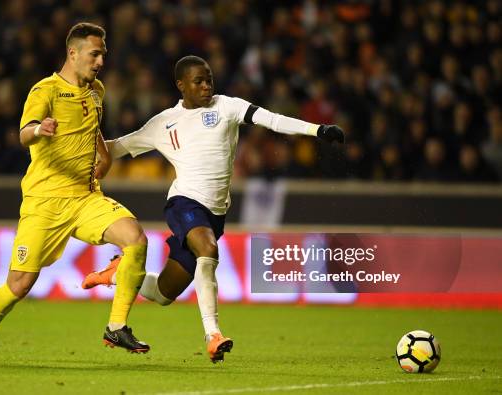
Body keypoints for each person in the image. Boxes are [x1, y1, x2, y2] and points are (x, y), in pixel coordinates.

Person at [82, 55, 344, 362]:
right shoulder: (163, 123)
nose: (206, 86)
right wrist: (82, 134)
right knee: (207, 249)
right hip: (183, 203)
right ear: (181, 85)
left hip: (215, 213)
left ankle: (118, 273)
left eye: (209, 80)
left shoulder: (227, 106)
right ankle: (213, 334)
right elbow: (117, 147)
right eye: (198, 81)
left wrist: (318, 131)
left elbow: (272, 119)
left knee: (164, 293)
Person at [0, 23, 150, 362]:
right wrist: (39, 129)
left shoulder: (97, 91)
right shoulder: (44, 90)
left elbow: (93, 131)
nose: (101, 61)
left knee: (135, 238)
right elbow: (23, 134)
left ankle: (116, 325)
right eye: (95, 54)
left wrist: (104, 158)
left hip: (86, 197)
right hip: (45, 202)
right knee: (19, 284)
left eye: (103, 54)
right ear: (72, 54)